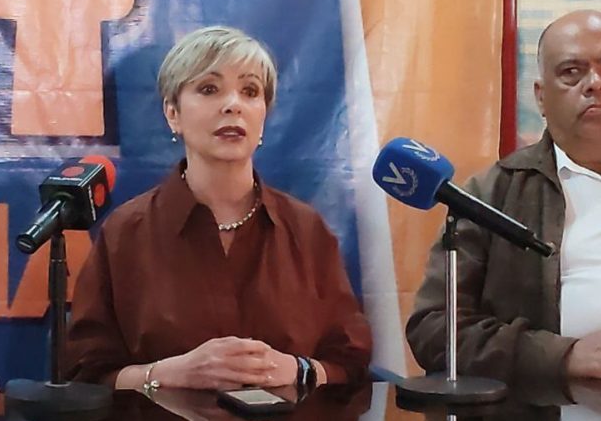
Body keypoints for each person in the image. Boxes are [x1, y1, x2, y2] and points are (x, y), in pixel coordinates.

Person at [65, 26, 372, 392]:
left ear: (264, 115)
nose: (233, 105)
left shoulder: (306, 230)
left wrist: (297, 370)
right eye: (209, 89)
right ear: (173, 114)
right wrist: (167, 374)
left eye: (250, 91)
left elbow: (350, 362)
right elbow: (85, 373)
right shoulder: (126, 232)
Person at [407, 10, 601, 393]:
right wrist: (564, 356)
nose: (596, 83)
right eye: (571, 72)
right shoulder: (492, 196)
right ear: (541, 97)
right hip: (551, 404)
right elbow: (435, 329)